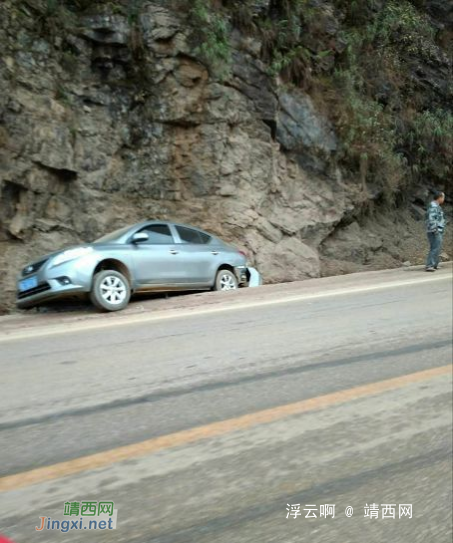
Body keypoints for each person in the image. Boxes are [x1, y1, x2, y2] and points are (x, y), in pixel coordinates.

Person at [425, 190, 446, 272]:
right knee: (435, 247)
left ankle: (434, 264)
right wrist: (435, 230)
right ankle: (429, 265)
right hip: (434, 230)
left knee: (437, 247)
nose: (444, 199)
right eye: (443, 197)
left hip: (437, 230)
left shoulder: (437, 206)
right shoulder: (433, 207)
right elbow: (431, 219)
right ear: (440, 197)